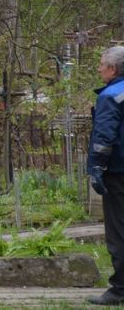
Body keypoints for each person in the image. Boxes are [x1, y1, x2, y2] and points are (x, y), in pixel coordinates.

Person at [88, 45, 124, 305]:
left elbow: (104, 136)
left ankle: (119, 289)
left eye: (102, 65)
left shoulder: (110, 96)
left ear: (113, 69)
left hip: (118, 172)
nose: (99, 68)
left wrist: (97, 167)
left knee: (118, 230)